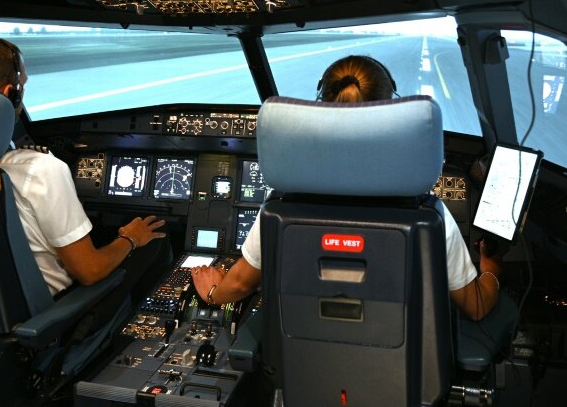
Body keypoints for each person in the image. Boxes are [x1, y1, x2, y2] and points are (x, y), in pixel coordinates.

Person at [192, 55, 502, 320]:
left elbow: (241, 284)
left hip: (303, 366)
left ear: (322, 109)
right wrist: (491, 270)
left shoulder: (281, 208)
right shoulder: (427, 214)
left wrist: (212, 293)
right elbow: (476, 306)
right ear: (390, 110)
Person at [0, 35, 168, 297]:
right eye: (22, 86)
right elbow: (90, 271)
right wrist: (131, 238)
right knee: (155, 244)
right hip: (52, 319)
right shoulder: (39, 169)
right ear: (9, 94)